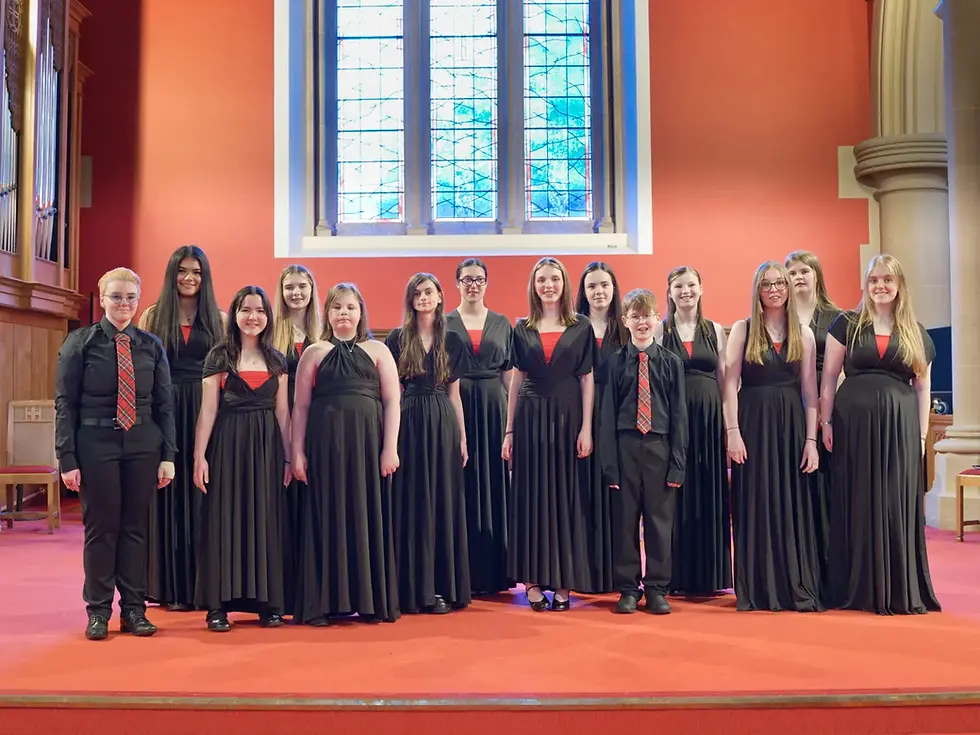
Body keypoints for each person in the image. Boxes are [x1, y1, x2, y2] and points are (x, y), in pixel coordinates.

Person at [55, 267, 177, 640]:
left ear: (138, 301)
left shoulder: (151, 345)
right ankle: (98, 612)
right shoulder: (80, 343)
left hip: (143, 443)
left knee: (136, 530)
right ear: (102, 298)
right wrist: (67, 457)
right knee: (102, 529)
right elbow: (65, 403)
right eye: (116, 296)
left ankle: (134, 611)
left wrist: (168, 454)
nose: (124, 303)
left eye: (131, 297)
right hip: (96, 444)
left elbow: (164, 404)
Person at [819, 254, 941, 615]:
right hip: (851, 423)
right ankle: (853, 587)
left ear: (900, 285)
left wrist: (921, 439)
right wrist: (825, 422)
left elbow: (922, 388)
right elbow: (829, 378)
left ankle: (898, 587)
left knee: (893, 501)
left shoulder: (916, 332)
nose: (880, 286)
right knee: (855, 500)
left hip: (901, 427)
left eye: (888, 279)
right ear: (866, 285)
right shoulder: (847, 324)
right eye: (874, 280)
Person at [292, 283, 402, 624]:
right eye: (337, 307)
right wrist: (297, 453)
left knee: (366, 515)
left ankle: (369, 601)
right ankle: (323, 604)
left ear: (360, 312)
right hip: (325, 448)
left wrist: (390, 449)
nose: (344, 313)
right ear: (328, 313)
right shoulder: (314, 352)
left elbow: (392, 401)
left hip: (369, 448)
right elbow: (300, 407)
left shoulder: (379, 350)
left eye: (350, 307)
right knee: (327, 515)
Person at [724, 261, 823, 612]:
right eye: (767, 284)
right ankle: (759, 589)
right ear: (757, 290)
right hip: (753, 424)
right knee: (757, 502)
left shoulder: (804, 333)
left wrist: (811, 441)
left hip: (792, 428)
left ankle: (793, 584)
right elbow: (729, 386)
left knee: (793, 506)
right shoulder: (742, 329)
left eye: (780, 282)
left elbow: (811, 393)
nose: (775, 289)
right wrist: (732, 432)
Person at [193, 286, 292, 632]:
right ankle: (218, 606)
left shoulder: (278, 360)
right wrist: (199, 457)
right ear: (234, 314)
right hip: (228, 445)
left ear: (268, 316)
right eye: (246, 310)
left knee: (266, 520)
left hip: (267, 448)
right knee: (226, 520)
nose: (253, 317)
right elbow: (207, 411)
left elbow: (284, 415)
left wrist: (289, 459)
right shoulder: (219, 357)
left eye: (260, 310)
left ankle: (269, 603)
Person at [503, 257, 594, 612]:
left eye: (554, 279)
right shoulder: (521, 327)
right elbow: (516, 380)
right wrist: (509, 430)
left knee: (565, 495)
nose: (548, 285)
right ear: (534, 285)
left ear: (564, 284)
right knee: (532, 496)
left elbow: (587, 379)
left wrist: (586, 427)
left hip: (569, 415)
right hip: (530, 417)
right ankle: (533, 580)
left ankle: (564, 578)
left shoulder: (581, 326)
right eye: (542, 280)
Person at [141, 245, 224, 612]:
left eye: (197, 272)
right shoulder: (153, 316)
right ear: (171, 273)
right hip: (165, 408)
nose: (189, 278)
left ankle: (203, 585)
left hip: (207, 409)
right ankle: (169, 585)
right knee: (167, 492)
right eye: (182, 271)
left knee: (204, 494)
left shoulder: (220, 318)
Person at [386, 273, 471, 614]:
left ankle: (440, 587)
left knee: (441, 502)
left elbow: (455, 393)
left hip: (442, 421)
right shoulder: (396, 338)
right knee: (412, 502)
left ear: (439, 297)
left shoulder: (453, 340)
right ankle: (410, 588)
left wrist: (462, 437)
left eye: (429, 292)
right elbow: (390, 394)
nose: (423, 297)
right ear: (410, 299)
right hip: (408, 420)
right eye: (417, 293)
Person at [602, 288, 688, 614]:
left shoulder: (671, 363)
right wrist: (609, 465)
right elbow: (606, 416)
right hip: (624, 448)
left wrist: (677, 464)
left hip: (659, 447)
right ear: (625, 320)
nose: (641, 322)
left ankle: (656, 588)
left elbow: (679, 416)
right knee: (624, 521)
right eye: (634, 316)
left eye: (647, 316)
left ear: (657, 319)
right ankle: (627, 588)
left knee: (659, 521)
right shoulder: (613, 364)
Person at [657, 266, 730, 596]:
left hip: (710, 419)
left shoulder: (715, 330)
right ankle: (676, 574)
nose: (685, 291)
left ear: (701, 288)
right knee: (675, 494)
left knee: (709, 490)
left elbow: (727, 380)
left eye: (690, 285)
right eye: (678, 286)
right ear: (669, 291)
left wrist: (731, 426)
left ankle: (710, 576)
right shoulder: (661, 331)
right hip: (674, 420)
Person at [447, 258, 514, 596]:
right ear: (456, 283)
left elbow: (509, 377)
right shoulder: (443, 324)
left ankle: (494, 570)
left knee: (493, 481)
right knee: (461, 483)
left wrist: (510, 427)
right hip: (455, 407)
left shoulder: (503, 323)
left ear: (487, 284)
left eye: (479, 279)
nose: (473, 285)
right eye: (467, 279)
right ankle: (462, 570)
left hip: (492, 408)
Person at [785, 250, 841, 599]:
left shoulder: (836, 317)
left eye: (804, 270)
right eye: (791, 272)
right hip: (794, 404)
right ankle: (802, 568)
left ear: (817, 275)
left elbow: (843, 368)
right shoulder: (782, 316)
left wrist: (828, 412)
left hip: (829, 400)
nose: (798, 277)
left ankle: (830, 570)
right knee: (800, 487)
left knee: (827, 490)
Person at [271, 264, 321, 616]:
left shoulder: (325, 332)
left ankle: (311, 585)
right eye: (289, 287)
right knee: (282, 507)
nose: (296, 293)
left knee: (311, 507)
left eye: (302, 286)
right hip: (278, 423)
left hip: (317, 427)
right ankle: (282, 588)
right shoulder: (273, 332)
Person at [574, 262, 627, 595]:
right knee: (583, 491)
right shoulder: (575, 327)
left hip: (620, 415)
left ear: (613, 289)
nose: (599, 292)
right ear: (583, 292)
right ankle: (585, 570)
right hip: (581, 414)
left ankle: (617, 572)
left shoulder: (625, 327)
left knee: (617, 493)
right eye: (592, 286)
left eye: (604, 285)